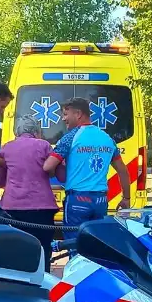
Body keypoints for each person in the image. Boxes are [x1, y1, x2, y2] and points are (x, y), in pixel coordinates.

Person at [43, 97, 132, 228]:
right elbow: (123, 171)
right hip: (101, 201)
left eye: (66, 114)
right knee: (96, 241)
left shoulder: (70, 138)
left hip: (77, 199)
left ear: (78, 114)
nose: (63, 119)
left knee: (74, 241)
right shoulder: (107, 138)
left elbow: (47, 166)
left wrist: (55, 171)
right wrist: (126, 198)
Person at [0, 115, 58, 270]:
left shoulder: (7, 148)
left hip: (12, 208)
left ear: (17, 132)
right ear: (36, 131)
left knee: (15, 252)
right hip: (42, 208)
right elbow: (53, 171)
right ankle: (43, 285)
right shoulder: (44, 146)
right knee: (43, 250)